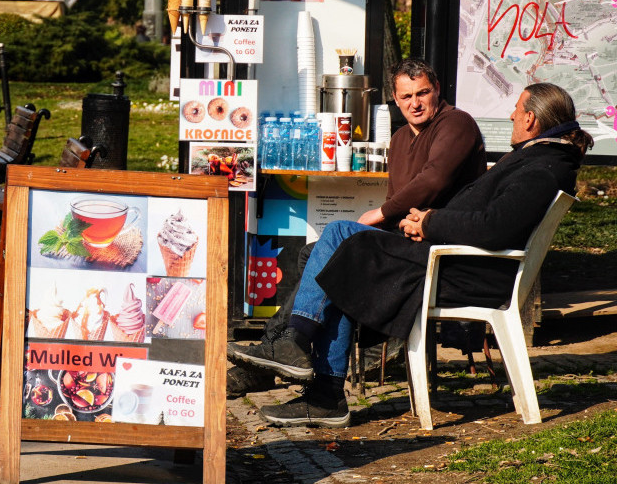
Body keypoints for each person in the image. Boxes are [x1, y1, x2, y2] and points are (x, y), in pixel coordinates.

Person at [234, 82, 592, 429]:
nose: (512, 114)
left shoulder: (544, 165)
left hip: (459, 271)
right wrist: (426, 222)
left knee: (340, 235)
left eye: (516, 110)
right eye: (405, 96)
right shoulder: (540, 158)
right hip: (452, 260)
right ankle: (312, 376)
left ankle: (300, 351)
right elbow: (490, 219)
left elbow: (494, 227)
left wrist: (431, 222)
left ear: (530, 119)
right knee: (336, 253)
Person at [227, 59, 486, 396]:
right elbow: (402, 205)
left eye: (422, 93)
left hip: (439, 251)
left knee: (336, 239)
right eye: (406, 96)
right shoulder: (399, 139)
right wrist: (394, 216)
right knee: (316, 254)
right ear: (394, 98)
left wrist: (381, 212)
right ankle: (294, 356)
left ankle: (292, 355)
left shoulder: (456, 123)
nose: (415, 103)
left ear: (436, 90)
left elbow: (434, 179)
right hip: (407, 241)